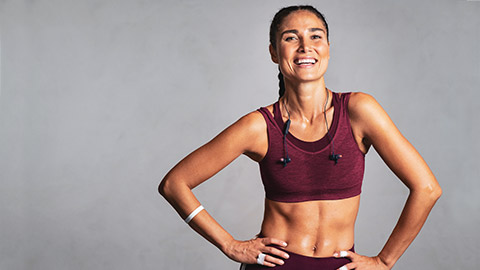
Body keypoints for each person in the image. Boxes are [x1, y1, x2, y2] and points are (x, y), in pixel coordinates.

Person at [159, 5, 441, 270]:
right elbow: (174, 184)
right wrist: (229, 245)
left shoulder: (359, 111)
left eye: (315, 36)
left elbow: (427, 189)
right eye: (291, 38)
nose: (306, 47)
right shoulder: (259, 126)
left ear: (328, 48)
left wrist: (384, 261)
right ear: (273, 52)